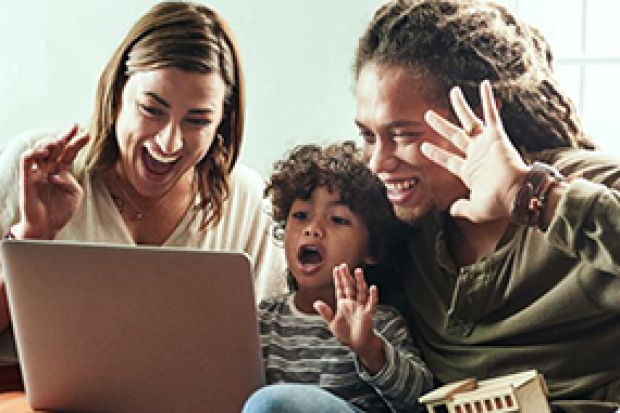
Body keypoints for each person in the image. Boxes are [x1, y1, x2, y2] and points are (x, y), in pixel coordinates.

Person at [0, 1, 286, 394]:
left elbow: (270, 361)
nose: (169, 142)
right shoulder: (36, 166)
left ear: (222, 122)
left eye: (198, 120)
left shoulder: (246, 200)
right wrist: (31, 236)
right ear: (117, 94)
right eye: (152, 109)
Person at [354, 0, 620, 412]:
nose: (378, 162)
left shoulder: (582, 184)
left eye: (403, 136)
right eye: (369, 136)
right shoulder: (404, 214)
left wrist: (530, 195)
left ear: (476, 119)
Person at [242, 142, 433, 413]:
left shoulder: (379, 321)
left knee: (271, 403)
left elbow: (419, 399)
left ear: (373, 249)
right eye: (300, 216)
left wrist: (370, 349)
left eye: (338, 219)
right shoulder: (263, 321)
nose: (313, 229)